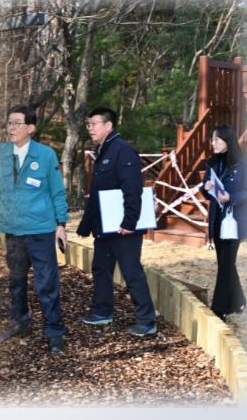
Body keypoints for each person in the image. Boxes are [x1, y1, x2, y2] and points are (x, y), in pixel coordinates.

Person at [0, 105, 69, 353]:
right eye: (9, 122)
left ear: (30, 128)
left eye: (17, 123)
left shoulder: (46, 154)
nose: (11, 127)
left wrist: (61, 225)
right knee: (16, 281)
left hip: (40, 231)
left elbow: (57, 192)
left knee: (47, 284)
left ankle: (53, 331)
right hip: (13, 232)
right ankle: (19, 322)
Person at [76, 106, 156, 336]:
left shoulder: (122, 150)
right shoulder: (102, 150)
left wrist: (130, 222)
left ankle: (146, 320)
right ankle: (102, 312)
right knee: (101, 268)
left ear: (108, 125)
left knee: (132, 272)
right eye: (89, 124)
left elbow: (133, 188)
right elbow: (98, 192)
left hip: (123, 227)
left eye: (94, 124)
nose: (90, 128)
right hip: (105, 226)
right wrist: (86, 225)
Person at [202, 124, 247, 322]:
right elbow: (205, 190)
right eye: (212, 139)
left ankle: (219, 310)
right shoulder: (212, 163)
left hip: (233, 222)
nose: (213, 143)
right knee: (225, 262)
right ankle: (237, 302)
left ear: (228, 140)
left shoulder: (244, 164)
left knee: (226, 264)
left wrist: (231, 197)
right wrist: (206, 187)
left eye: (217, 139)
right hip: (217, 219)